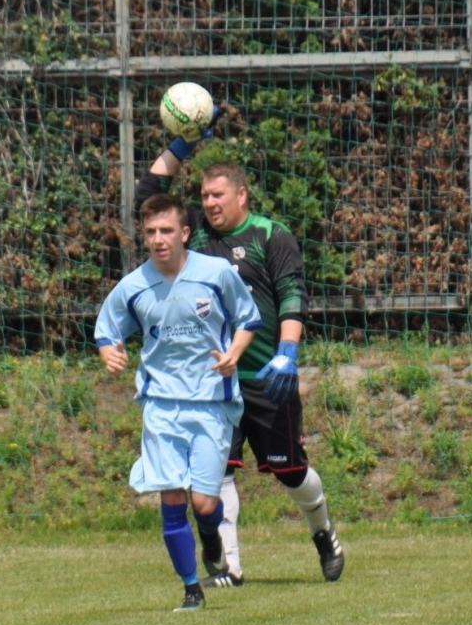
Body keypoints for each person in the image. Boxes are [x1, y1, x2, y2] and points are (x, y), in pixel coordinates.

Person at [135, 126, 343, 587]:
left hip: (267, 375)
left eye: (217, 195)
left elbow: (292, 294)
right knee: (216, 476)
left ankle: (323, 531)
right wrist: (181, 146)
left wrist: (288, 352)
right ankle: (229, 567)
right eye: (204, 196)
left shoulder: (272, 235)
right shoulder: (195, 236)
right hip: (213, 384)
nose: (208, 203)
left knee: (291, 473)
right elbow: (149, 193)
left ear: (242, 195)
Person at [95, 193, 260, 611]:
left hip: (210, 403)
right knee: (170, 498)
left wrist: (234, 354)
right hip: (161, 405)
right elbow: (107, 327)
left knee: (204, 503)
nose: (158, 239)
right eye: (150, 232)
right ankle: (191, 589)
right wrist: (109, 352)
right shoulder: (134, 285)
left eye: (166, 230)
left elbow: (248, 319)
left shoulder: (217, 273)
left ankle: (211, 536)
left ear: (185, 233)